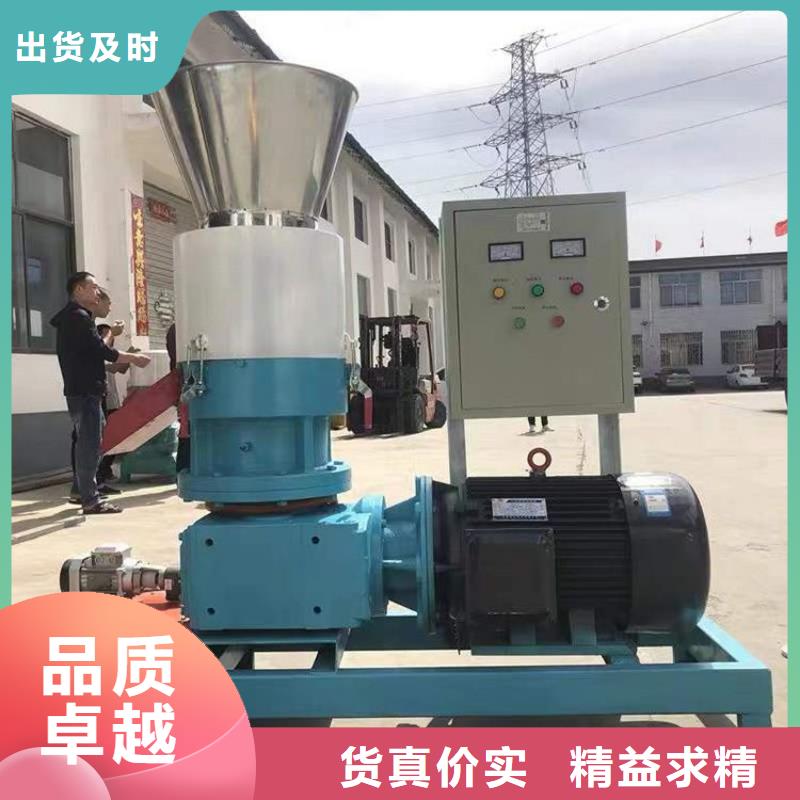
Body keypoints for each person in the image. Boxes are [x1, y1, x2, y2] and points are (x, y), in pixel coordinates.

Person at [51, 272, 151, 514]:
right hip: (85, 391)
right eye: (93, 287)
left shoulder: (73, 318)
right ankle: (91, 500)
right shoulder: (78, 318)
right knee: (89, 444)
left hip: (82, 390)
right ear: (78, 290)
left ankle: (81, 490)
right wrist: (134, 358)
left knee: (89, 442)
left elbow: (90, 354)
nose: (97, 292)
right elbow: (101, 351)